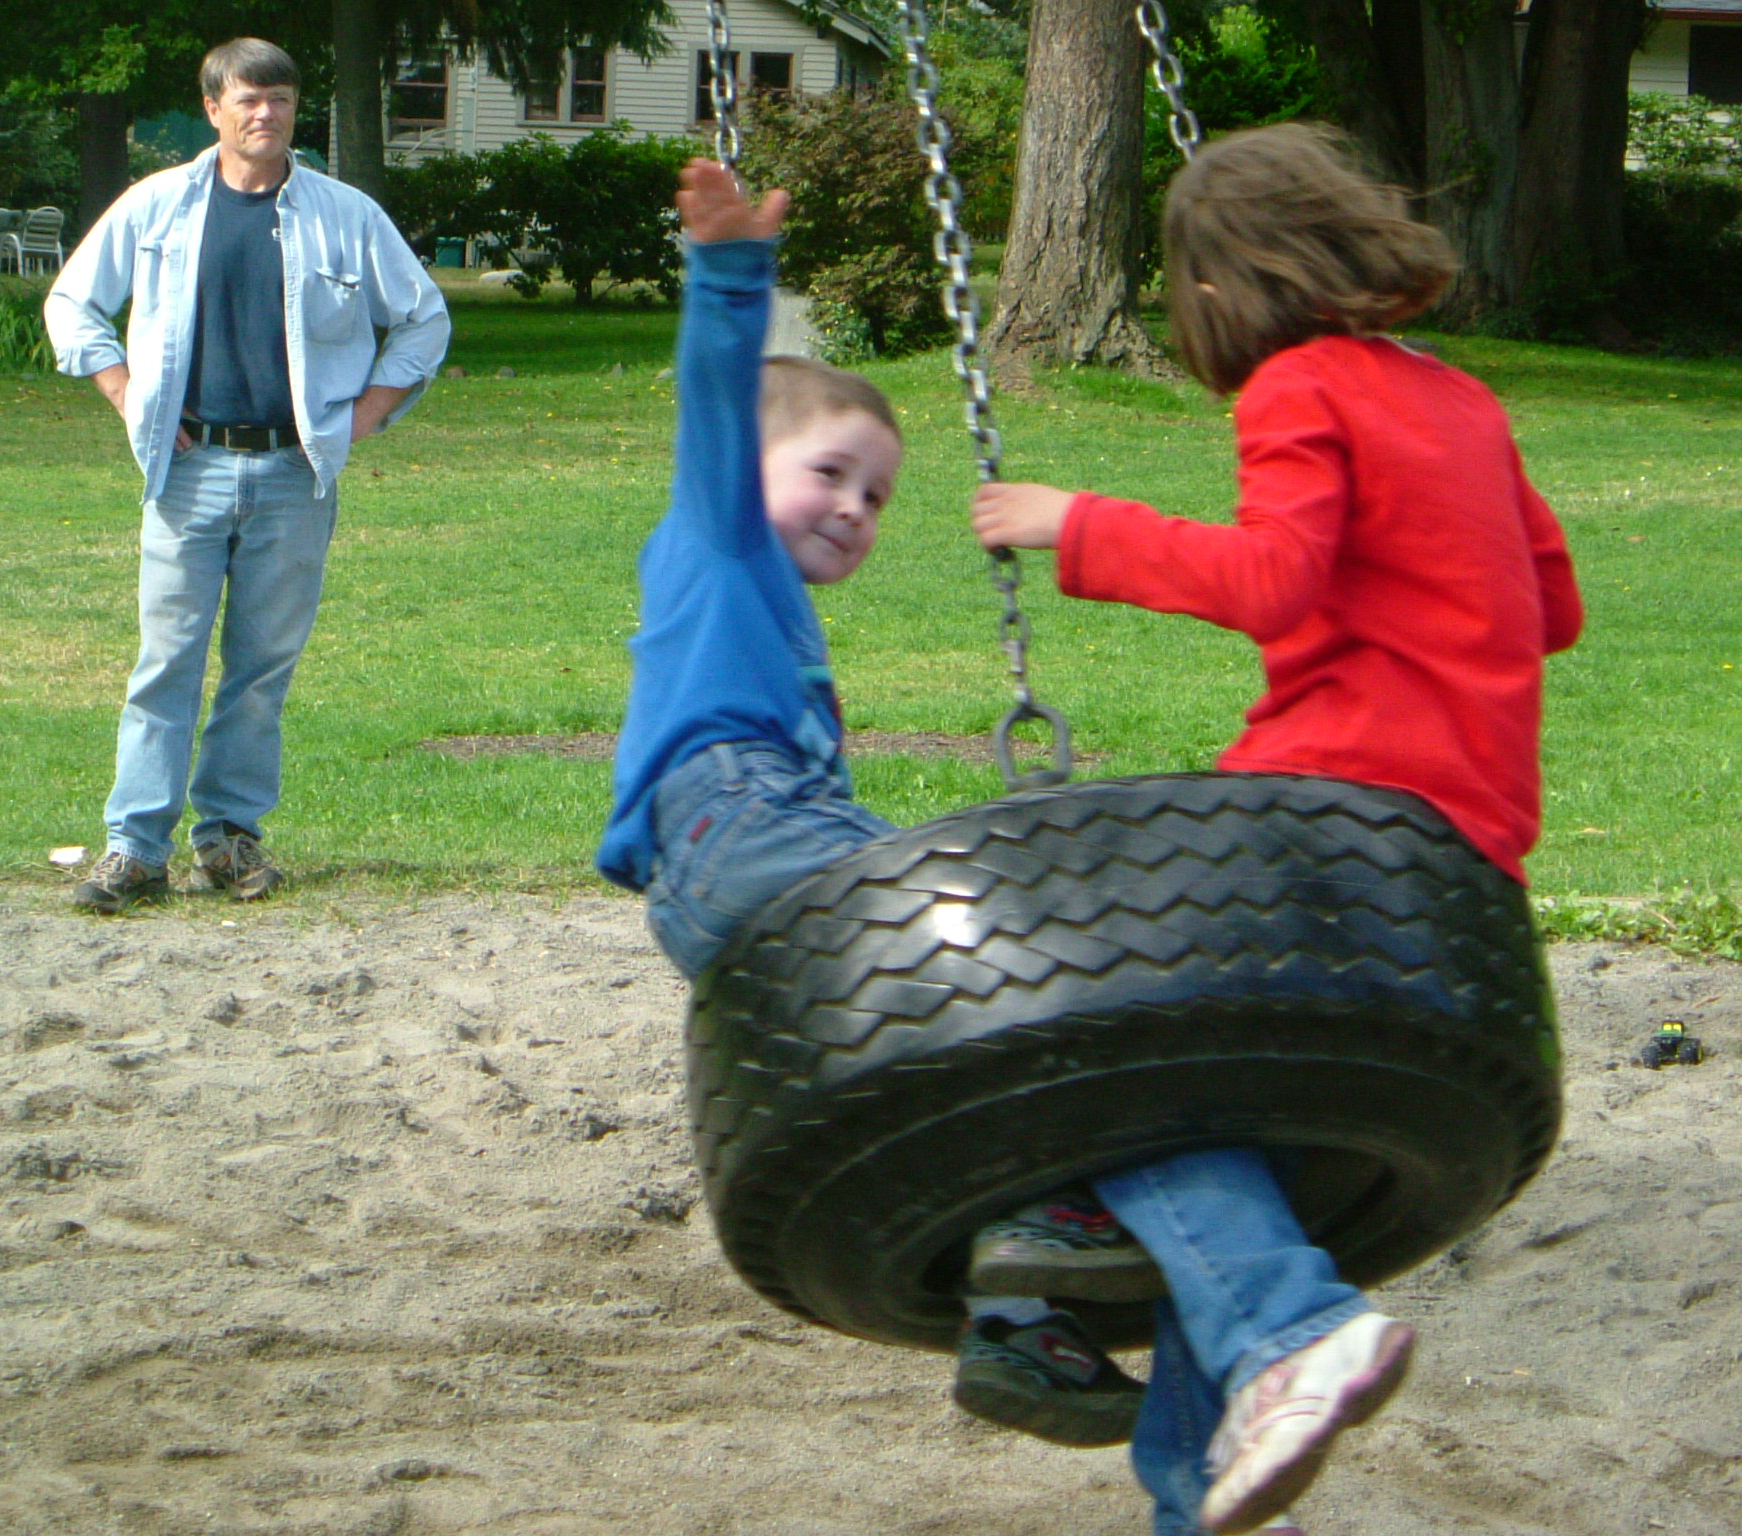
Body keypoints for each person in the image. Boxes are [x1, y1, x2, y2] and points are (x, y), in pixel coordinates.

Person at [967, 124, 1584, 1536]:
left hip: (1333, 804)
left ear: (1217, 282)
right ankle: (1206, 1490)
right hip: (1466, 828)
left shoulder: (1299, 386)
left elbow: (1274, 581)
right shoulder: (1459, 397)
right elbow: (1552, 607)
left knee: (1118, 1038)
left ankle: (1285, 1326)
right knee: (1240, 1137)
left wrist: (1077, 521)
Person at [596, 159, 1149, 1450]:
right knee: (1000, 933)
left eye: (876, 497)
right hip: (741, 824)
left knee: (922, 1065)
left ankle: (1015, 1318)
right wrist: (729, 273)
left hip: (720, 874)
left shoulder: (777, 618)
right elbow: (715, 399)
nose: (853, 509)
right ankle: (1057, 1209)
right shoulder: (718, 543)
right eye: (831, 474)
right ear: (745, 471)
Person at [45, 37, 449, 912]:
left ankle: (228, 839)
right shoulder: (157, 206)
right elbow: (72, 301)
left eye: (281, 99)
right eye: (248, 99)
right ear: (213, 109)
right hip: (187, 474)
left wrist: (364, 415)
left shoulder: (346, 215)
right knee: (166, 663)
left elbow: (424, 320)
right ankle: (135, 849)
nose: (266, 114)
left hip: (293, 476)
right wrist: (125, 393)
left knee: (261, 670)